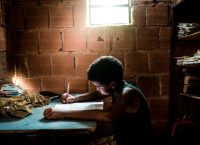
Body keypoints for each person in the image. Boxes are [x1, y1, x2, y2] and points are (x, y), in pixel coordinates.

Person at [43, 56, 153, 145]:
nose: (97, 89)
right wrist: (75, 98)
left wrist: (63, 114)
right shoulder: (117, 86)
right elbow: (99, 94)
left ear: (112, 84)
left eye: (98, 86)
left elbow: (108, 116)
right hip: (121, 139)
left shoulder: (128, 93)